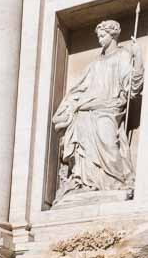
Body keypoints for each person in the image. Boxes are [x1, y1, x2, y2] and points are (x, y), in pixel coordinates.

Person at [52, 18, 144, 199]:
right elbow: (80, 87)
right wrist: (72, 104)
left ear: (113, 35)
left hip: (109, 109)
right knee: (82, 140)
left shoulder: (123, 56)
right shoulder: (95, 63)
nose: (100, 40)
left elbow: (132, 86)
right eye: (99, 36)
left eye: (103, 36)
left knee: (108, 142)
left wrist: (138, 55)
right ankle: (87, 182)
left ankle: (119, 181)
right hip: (88, 109)